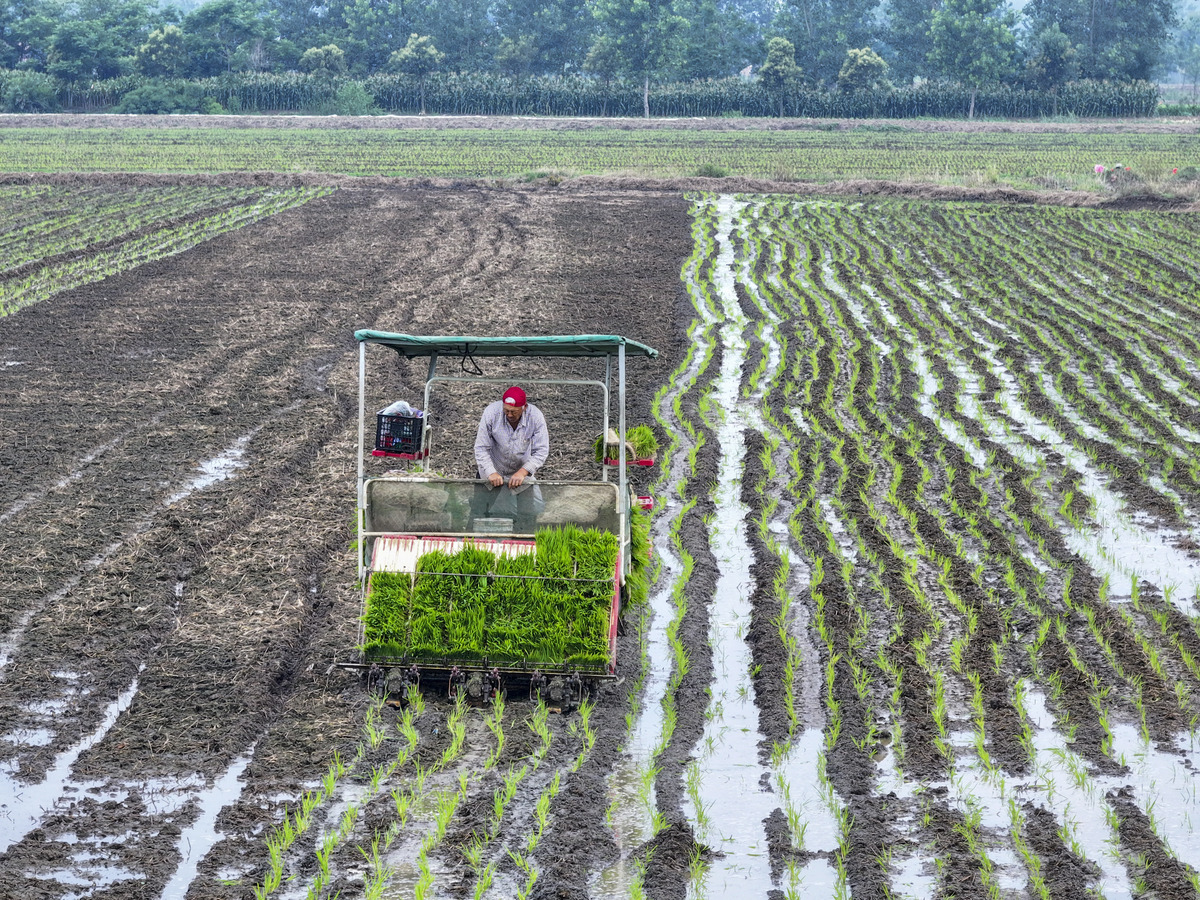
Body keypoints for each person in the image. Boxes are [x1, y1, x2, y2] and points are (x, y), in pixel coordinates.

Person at [473, 386, 548, 525]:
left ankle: (524, 544)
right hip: (492, 468)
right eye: (506, 410)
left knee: (526, 517)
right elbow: (481, 447)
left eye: (514, 412)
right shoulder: (491, 413)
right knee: (478, 513)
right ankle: (473, 541)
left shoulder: (536, 417)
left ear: (524, 407)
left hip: (522, 472)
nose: (509, 415)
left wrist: (523, 472)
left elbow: (541, 450)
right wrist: (491, 472)